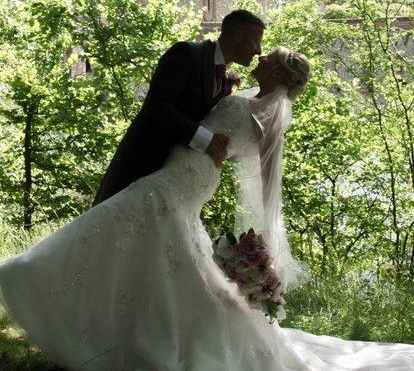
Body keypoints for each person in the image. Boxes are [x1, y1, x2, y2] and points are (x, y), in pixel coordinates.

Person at [0, 47, 413, 371]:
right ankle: (122, 319)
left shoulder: (269, 118)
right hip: (183, 168)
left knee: (112, 220)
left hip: (186, 178)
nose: (261, 54)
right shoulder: (245, 95)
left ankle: (28, 273)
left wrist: (266, 236)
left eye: (268, 56)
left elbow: (269, 179)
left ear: (276, 73)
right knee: (152, 252)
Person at [92, 8, 265, 204]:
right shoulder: (187, 53)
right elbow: (157, 106)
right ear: (237, 36)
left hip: (172, 177)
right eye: (256, 42)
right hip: (141, 163)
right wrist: (206, 139)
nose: (258, 50)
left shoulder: (224, 81)